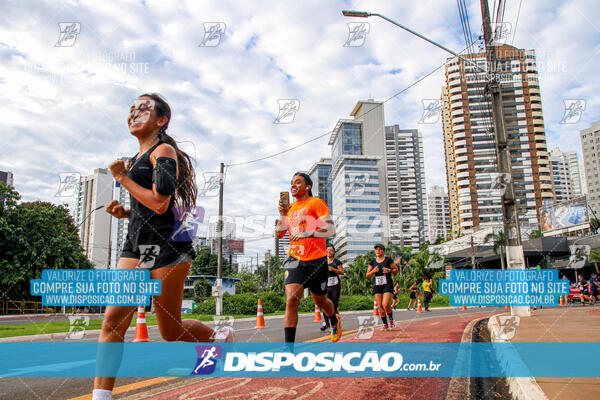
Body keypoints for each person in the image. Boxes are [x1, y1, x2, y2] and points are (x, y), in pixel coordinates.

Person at [92, 94, 233, 400]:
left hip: (169, 249)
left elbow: (160, 202)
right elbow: (148, 206)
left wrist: (121, 178)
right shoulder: (134, 160)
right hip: (136, 247)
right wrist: (125, 211)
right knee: (113, 320)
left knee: (170, 331)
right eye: (131, 109)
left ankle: (218, 336)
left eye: (143, 108)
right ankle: (101, 396)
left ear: (161, 120)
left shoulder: (163, 151)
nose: (134, 113)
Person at [276, 173, 341, 343]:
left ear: (307, 187)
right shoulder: (289, 209)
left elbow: (330, 230)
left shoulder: (316, 203)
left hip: (317, 260)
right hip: (294, 258)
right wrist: (282, 215)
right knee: (291, 299)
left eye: (298, 182)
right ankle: (288, 349)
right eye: (291, 183)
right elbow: (278, 234)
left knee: (321, 301)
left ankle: (333, 320)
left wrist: (308, 232)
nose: (293, 185)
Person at [366, 244, 399, 330]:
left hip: (387, 284)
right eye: (376, 249)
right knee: (380, 306)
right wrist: (373, 271)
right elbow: (367, 275)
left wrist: (390, 270)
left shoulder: (388, 260)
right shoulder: (372, 262)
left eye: (380, 249)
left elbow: (396, 270)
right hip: (377, 286)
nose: (378, 251)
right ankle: (385, 324)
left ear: (383, 251)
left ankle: (391, 321)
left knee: (385, 304)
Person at [320, 245, 344, 332]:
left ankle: (335, 323)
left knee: (334, 305)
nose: (329, 251)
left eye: (331, 250)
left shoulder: (337, 262)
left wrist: (333, 269)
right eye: (328, 250)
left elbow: (342, 272)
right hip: (326, 286)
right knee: (325, 304)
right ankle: (326, 324)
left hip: (335, 286)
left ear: (334, 252)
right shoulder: (323, 262)